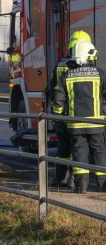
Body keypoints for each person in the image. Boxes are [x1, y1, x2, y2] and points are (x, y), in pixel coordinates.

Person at [52, 40, 106, 193]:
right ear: (88, 56)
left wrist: (59, 118)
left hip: (75, 126)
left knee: (79, 155)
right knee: (99, 153)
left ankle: (81, 187)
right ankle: (103, 186)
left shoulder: (67, 75)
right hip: (96, 125)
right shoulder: (100, 73)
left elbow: (58, 101)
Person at [48, 30, 92, 188]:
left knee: (63, 147)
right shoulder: (87, 66)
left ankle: (60, 177)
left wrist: (55, 113)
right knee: (79, 149)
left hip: (62, 115)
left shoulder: (59, 64)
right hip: (79, 114)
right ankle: (76, 179)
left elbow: (53, 89)